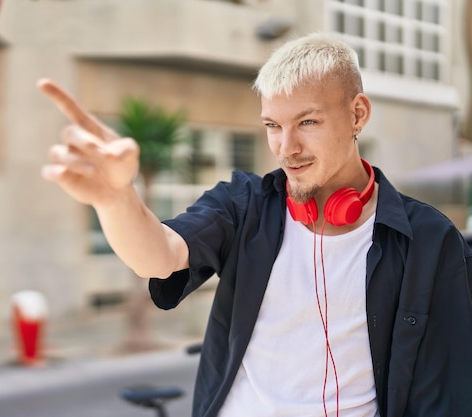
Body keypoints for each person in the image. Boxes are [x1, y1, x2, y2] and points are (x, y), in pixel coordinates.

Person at [39, 32, 472, 417]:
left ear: (357, 114)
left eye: (308, 122)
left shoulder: (431, 239)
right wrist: (115, 198)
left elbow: (447, 390)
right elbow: (159, 255)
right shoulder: (244, 204)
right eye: (272, 126)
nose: (287, 148)